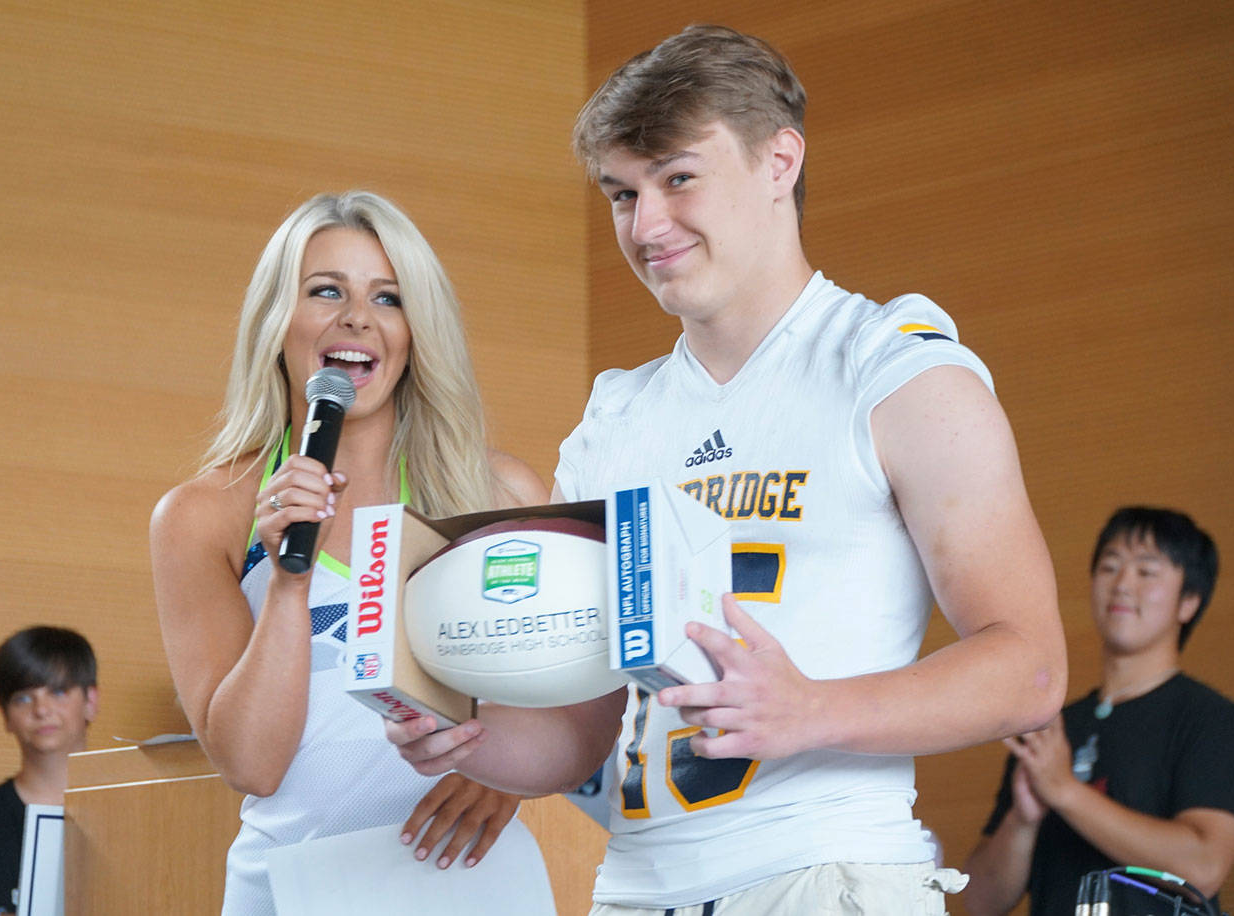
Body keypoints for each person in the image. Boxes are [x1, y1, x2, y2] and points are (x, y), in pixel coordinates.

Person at [387, 25, 1068, 915]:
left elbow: (1031, 669)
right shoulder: (614, 420)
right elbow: (580, 734)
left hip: (826, 876)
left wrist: (812, 710)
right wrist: (461, 735)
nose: (647, 224)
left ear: (779, 161)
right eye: (621, 193)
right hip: (635, 888)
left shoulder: (894, 370)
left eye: (677, 178)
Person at [149, 191, 553, 914]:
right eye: (325, 291)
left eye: (389, 298)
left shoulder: (497, 491)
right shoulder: (202, 516)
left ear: (416, 330)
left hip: (468, 880)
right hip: (291, 889)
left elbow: (567, 699)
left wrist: (506, 774)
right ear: (278, 320)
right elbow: (252, 765)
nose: (357, 318)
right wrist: (286, 584)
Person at [963, 507, 1234, 916]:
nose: (1121, 584)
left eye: (1146, 572)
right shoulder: (1049, 726)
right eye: (1110, 566)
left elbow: (1202, 868)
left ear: (1188, 602)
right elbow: (978, 903)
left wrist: (1064, 790)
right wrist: (1023, 821)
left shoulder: (1212, 719)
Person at [0, 626, 98, 916]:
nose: (42, 710)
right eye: (23, 698)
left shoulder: (138, 813)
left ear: (91, 701)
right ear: (5, 715)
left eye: (58, 691)